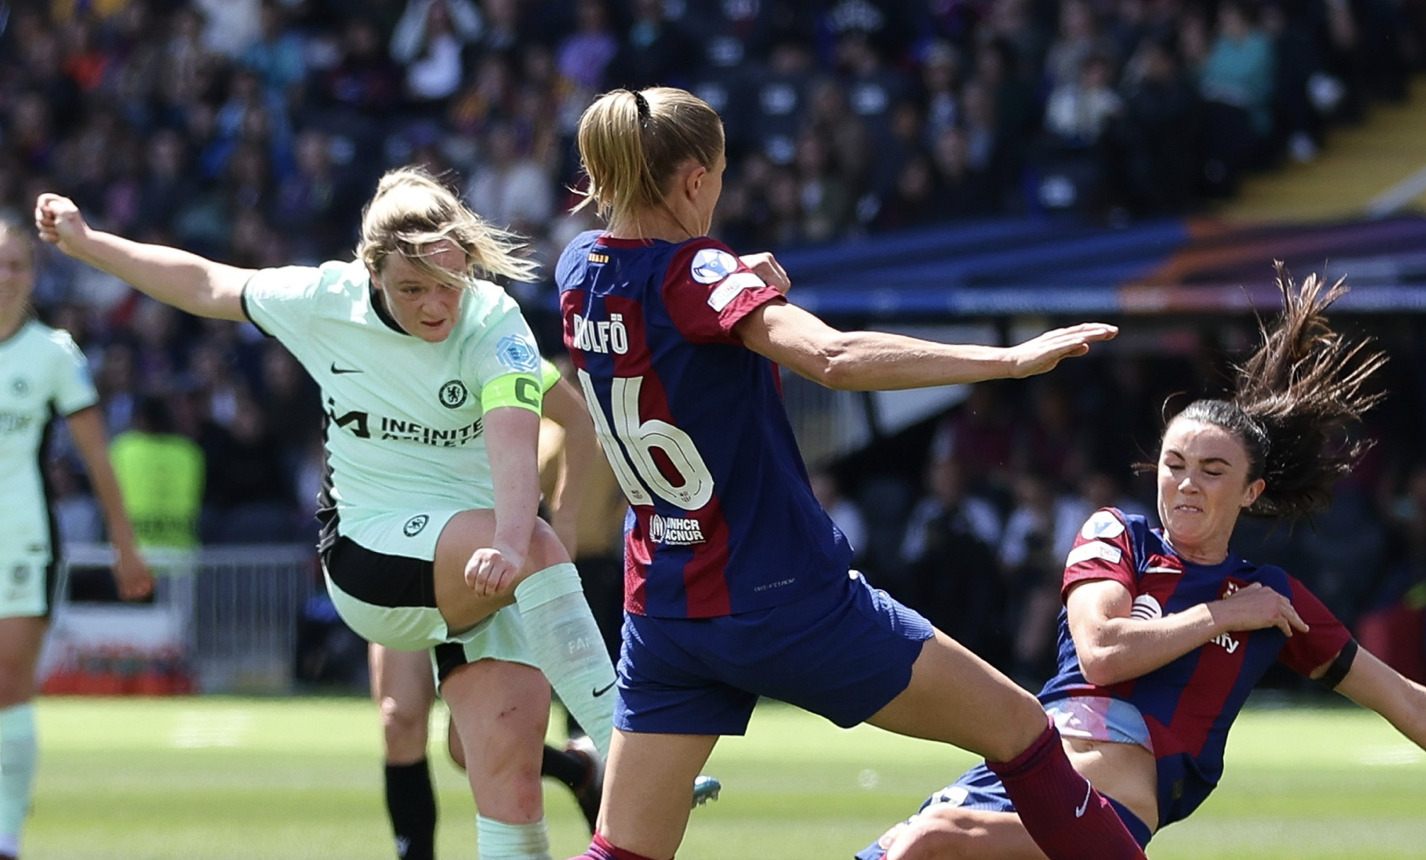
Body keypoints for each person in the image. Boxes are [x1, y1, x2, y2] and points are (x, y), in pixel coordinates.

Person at [556, 86, 1146, 860]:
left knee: (624, 852)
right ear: (697, 179)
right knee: (1024, 734)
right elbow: (832, 358)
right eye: (723, 174)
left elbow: (663, 321)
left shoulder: (579, 268)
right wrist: (1004, 360)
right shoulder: (700, 271)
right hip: (781, 599)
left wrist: (736, 287)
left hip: (666, 608)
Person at [35, 167, 619, 860]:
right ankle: (624, 746)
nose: (436, 306)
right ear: (370, 272)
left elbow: (525, 440)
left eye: (448, 285)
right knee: (408, 711)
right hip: (369, 556)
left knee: (510, 788)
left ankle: (602, 755)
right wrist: (90, 241)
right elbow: (203, 282)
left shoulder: (493, 318)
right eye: (412, 289)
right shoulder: (321, 300)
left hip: (478, 565)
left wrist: (528, 533)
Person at [859, 265, 1426, 860]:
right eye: (1174, 464)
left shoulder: (1270, 596)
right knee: (898, 844)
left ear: (1251, 493)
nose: (1186, 484)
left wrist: (1242, 610)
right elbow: (1102, 652)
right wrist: (1220, 616)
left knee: (927, 844)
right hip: (1007, 780)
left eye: (1212, 472)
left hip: (1102, 815)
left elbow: (1407, 700)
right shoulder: (1118, 535)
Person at [369, 357, 606, 858]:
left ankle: (582, 772)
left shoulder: (494, 341)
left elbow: (580, 418)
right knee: (398, 720)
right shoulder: (368, 344)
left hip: (487, 559)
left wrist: (562, 518)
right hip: (401, 551)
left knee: (469, 748)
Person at [0, 213, 153, 860]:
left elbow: (96, 458)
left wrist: (125, 543)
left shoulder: (52, 354)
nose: (4, 276)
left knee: (8, 685)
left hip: (22, 537)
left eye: (15, 264)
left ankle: (6, 832)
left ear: (32, 275)